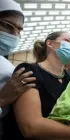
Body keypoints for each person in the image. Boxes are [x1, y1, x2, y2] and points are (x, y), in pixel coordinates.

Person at [3, 31, 70, 140]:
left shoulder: (69, 79)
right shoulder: (30, 71)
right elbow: (31, 128)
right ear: (50, 44)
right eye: (67, 41)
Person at [0, 0, 36, 138]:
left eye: (19, 30)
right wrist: (2, 99)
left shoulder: (7, 65)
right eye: (7, 26)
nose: (14, 35)